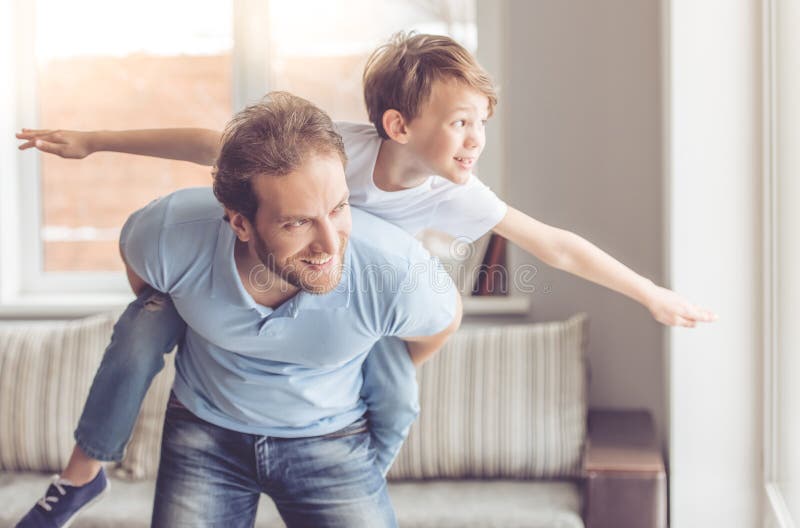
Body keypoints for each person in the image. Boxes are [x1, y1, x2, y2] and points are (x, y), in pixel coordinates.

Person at [16, 32, 716, 526]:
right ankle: (84, 470)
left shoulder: (457, 196)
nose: (476, 139)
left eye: (483, 123)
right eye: (461, 122)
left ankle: (361, 465)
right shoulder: (329, 150)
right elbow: (211, 145)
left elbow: (555, 247)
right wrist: (98, 139)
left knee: (397, 394)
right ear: (396, 125)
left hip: (360, 318)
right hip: (248, 330)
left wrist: (651, 292)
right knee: (142, 324)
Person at [22, 92, 462, 526]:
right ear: (240, 223)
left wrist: (359, 356)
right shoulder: (167, 233)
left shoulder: (395, 270)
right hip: (205, 432)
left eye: (339, 208)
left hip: (331, 437)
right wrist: (197, 312)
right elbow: (148, 285)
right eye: (298, 222)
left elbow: (442, 325)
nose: (331, 244)